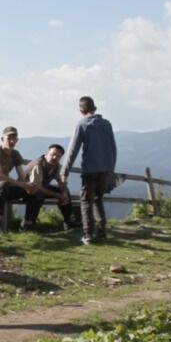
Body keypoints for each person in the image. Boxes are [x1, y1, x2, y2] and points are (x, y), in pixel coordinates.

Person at [63, 95, 117, 245]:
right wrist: (110, 169)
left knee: (86, 201)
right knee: (98, 199)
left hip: (90, 170)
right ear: (94, 108)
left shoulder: (82, 124)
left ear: (81, 110)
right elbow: (113, 148)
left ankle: (88, 234)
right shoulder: (107, 124)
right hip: (105, 169)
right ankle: (102, 230)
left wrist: (64, 171)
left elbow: (73, 149)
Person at [22, 143, 79, 231]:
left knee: (64, 191)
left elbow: (60, 181)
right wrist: (58, 196)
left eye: (58, 156)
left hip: (40, 186)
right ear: (47, 154)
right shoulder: (38, 164)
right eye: (52, 154)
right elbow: (37, 187)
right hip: (25, 189)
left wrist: (63, 193)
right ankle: (28, 224)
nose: (54, 157)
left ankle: (68, 221)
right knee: (38, 196)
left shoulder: (55, 165)